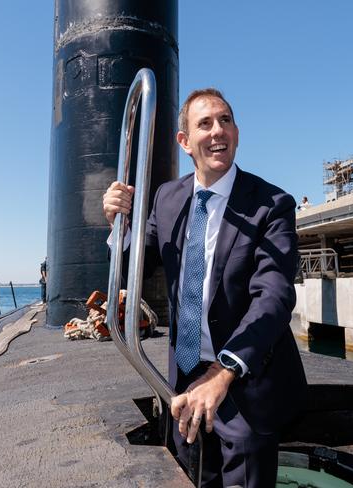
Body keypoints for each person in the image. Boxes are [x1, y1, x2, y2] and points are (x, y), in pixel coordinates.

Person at [102, 88, 307, 487]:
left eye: (225, 120)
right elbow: (136, 265)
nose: (218, 131)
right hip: (184, 378)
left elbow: (275, 295)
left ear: (236, 131)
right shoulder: (167, 197)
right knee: (195, 475)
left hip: (246, 383)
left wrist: (224, 371)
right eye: (205, 123)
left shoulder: (271, 204)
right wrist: (118, 225)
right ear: (184, 142)